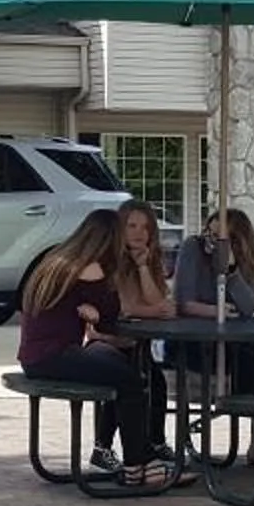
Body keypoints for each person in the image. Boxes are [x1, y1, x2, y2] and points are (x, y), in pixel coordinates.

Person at [19, 210, 178, 488]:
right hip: (57, 355)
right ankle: (137, 464)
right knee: (131, 380)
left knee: (126, 375)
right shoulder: (91, 268)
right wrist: (97, 313)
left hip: (35, 357)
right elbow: (111, 318)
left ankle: (139, 460)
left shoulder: (56, 260)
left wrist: (94, 312)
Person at [171, 206, 254, 474]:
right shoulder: (192, 249)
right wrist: (216, 311)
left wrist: (230, 272)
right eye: (210, 233)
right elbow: (182, 302)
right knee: (248, 357)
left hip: (234, 342)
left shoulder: (243, 260)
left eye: (220, 238)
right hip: (194, 343)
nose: (212, 242)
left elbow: (249, 305)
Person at [94, 200, 180, 473]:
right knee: (122, 378)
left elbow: (160, 302)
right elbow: (122, 308)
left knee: (156, 384)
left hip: (136, 343)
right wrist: (154, 310)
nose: (138, 233)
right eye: (131, 225)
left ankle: (156, 441)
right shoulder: (106, 262)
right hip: (104, 339)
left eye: (145, 227)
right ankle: (102, 447)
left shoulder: (149, 260)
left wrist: (143, 267)